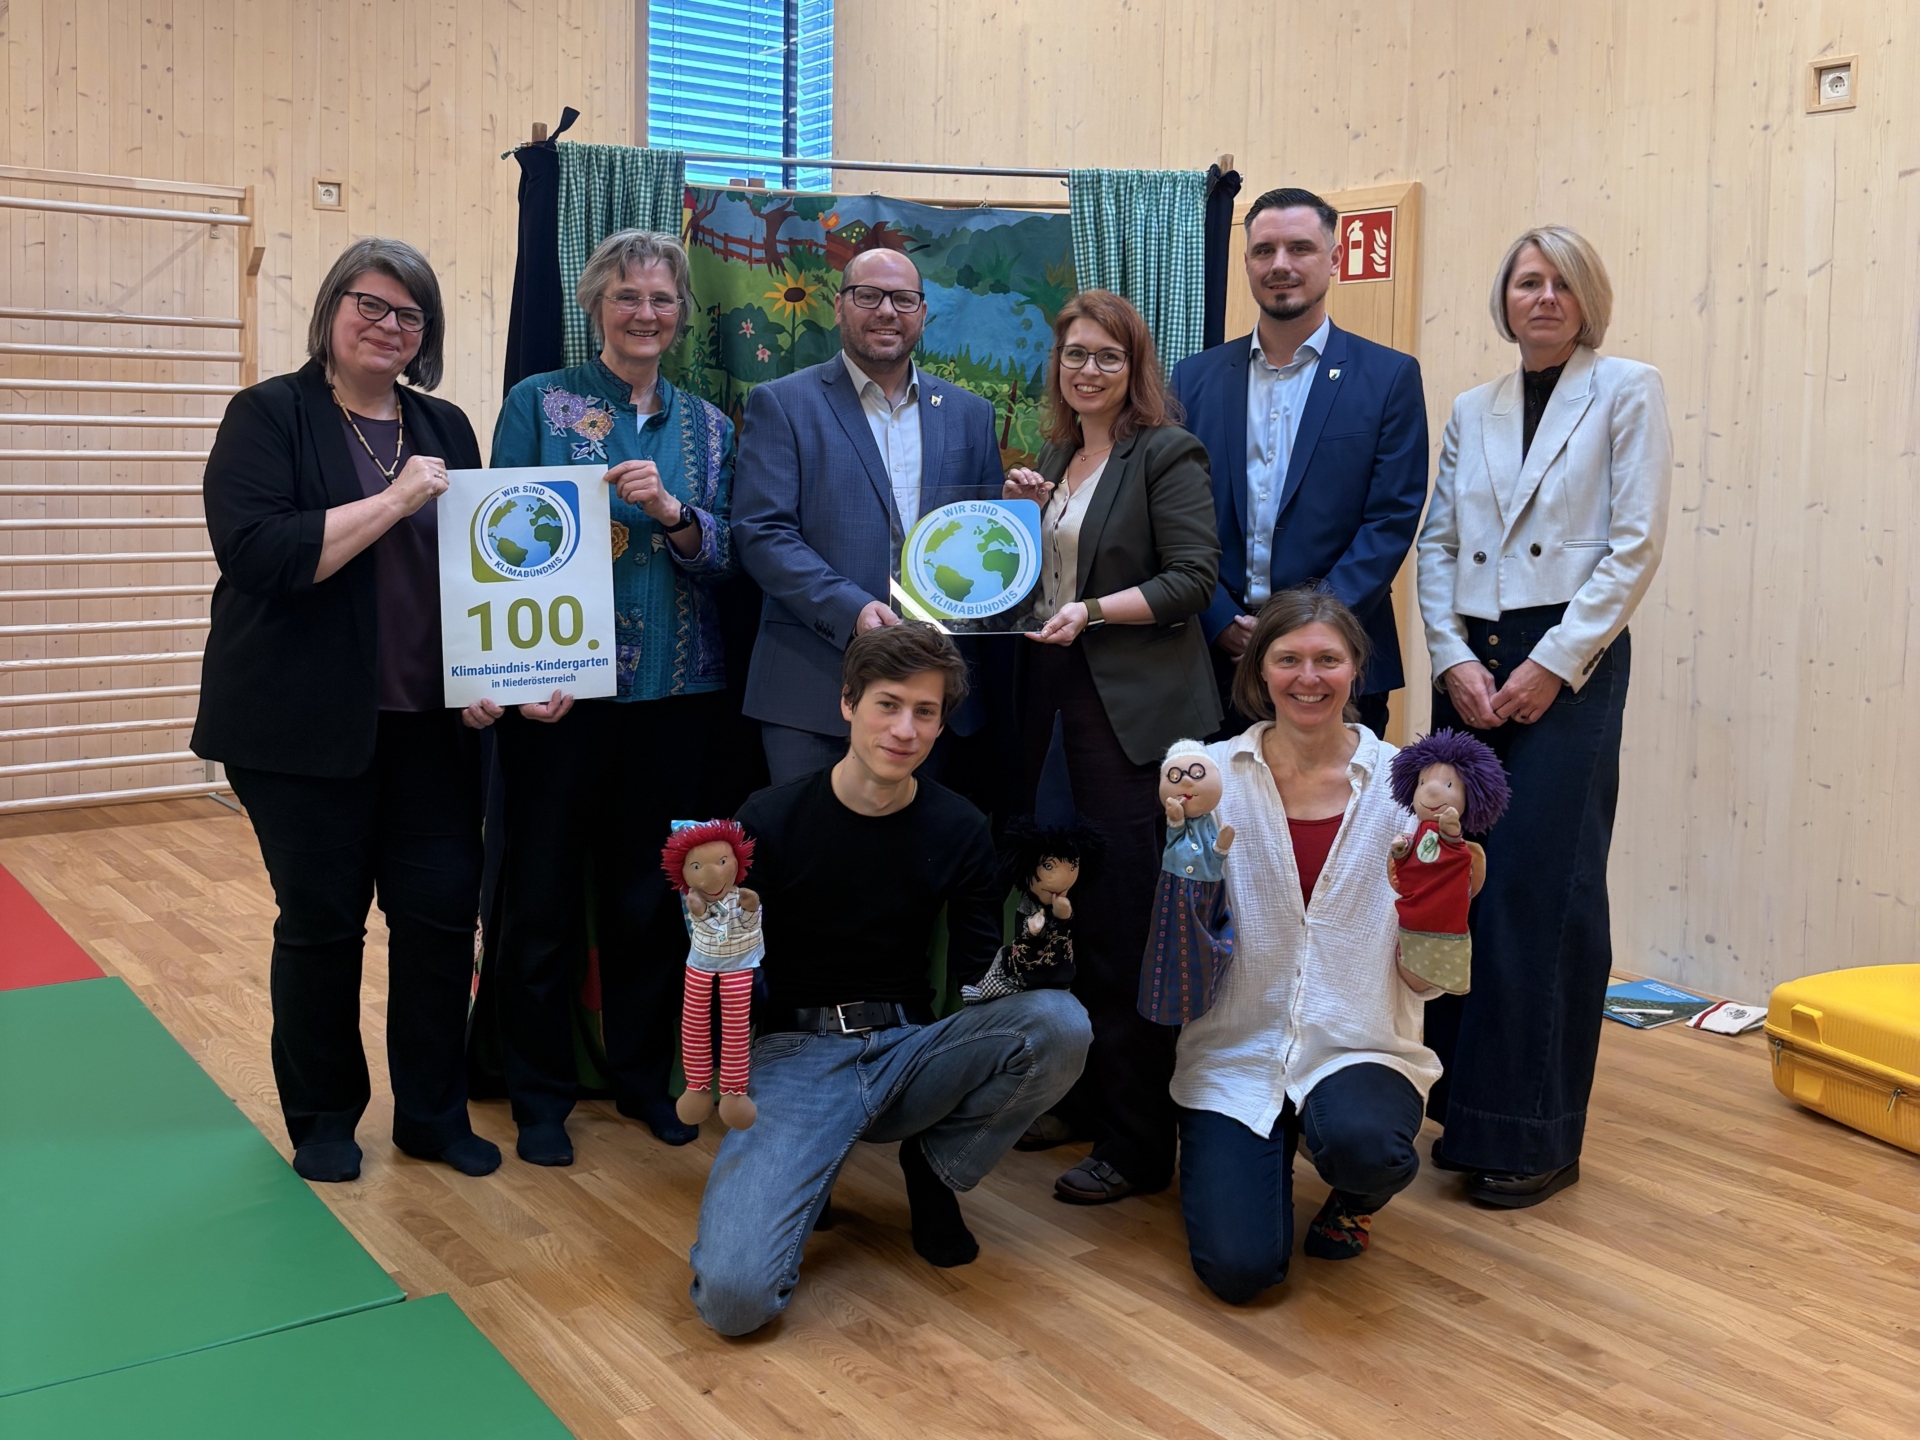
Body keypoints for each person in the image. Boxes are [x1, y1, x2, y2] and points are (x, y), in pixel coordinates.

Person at [193, 238, 498, 1184]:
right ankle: (324, 1117)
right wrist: (397, 500)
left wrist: (490, 672)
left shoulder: (445, 423)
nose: (387, 326)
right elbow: (261, 555)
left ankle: (434, 1115)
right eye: (370, 304)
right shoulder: (268, 414)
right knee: (322, 924)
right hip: (299, 729)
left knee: (440, 923)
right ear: (332, 308)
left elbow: (473, 572)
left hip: (430, 728)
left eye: (409, 314)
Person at [688, 623, 1092, 1336]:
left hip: (908, 1048)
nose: (905, 730)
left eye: (925, 712)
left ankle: (933, 1170)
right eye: (888, 705)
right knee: (734, 1303)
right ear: (848, 703)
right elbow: (734, 978)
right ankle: (808, 1167)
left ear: (941, 723)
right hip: (796, 1056)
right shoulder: (767, 818)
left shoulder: (959, 826)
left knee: (1060, 1022)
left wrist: (1036, 948)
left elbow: (975, 979)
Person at [1416, 225, 1671, 1206]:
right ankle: (1465, 1111)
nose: (1545, 297)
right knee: (1454, 885)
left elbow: (1633, 547)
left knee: (1540, 895)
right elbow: (1438, 545)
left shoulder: (1628, 389)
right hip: (1469, 662)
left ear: (1587, 298)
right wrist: (1448, 656)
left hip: (1569, 661)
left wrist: (1554, 664)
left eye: (1563, 282)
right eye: (1528, 281)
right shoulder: (1471, 407)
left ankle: (1535, 1132)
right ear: (1506, 298)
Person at [486, 230, 736, 1167]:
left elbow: (730, 556)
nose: (645, 313)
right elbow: (495, 543)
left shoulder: (710, 427)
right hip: (559, 699)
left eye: (662, 299)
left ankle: (640, 1080)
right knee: (541, 901)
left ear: (681, 315)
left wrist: (673, 514)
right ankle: (538, 1095)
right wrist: (517, 678)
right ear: (595, 304)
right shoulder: (538, 403)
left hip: (676, 696)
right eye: (627, 296)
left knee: (647, 904)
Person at [1000, 289, 1220, 1205]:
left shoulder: (1166, 452)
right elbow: (1045, 581)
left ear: (1136, 369)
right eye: (1074, 354)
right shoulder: (1056, 458)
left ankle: (1136, 1142)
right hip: (1051, 707)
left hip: (1132, 720)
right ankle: (1082, 1098)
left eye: (1107, 356)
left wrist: (1092, 611)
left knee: (1128, 924)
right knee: (1063, 911)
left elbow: (1193, 579)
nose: (1087, 370)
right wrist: (1023, 517)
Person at [1172, 589, 1441, 1304]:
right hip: (1237, 1048)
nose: (1309, 678)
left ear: (1356, 670)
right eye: (1288, 659)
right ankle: (1258, 1149)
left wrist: (1446, 899)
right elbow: (1178, 935)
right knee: (1241, 1273)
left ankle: (1354, 1194)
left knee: (1368, 1147)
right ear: (1260, 671)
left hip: (1357, 1040)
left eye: (1328, 660)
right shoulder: (1208, 776)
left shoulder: (1408, 787)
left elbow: (1431, 973)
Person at [731, 247, 1009, 788]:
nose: (887, 310)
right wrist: (853, 611)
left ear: (922, 314)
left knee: (919, 843)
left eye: (903, 299)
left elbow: (984, 536)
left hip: (932, 702)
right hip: (813, 690)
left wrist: (1021, 513)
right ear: (839, 307)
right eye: (869, 295)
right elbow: (762, 534)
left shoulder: (969, 413)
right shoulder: (783, 404)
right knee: (813, 840)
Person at [1168, 186, 1428, 737]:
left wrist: (1303, 629)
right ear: (1246, 262)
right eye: (1264, 250)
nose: (1280, 264)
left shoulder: (1389, 377)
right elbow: (1171, 517)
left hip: (1337, 662)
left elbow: (1391, 519)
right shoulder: (1193, 379)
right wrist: (1218, 617)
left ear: (1333, 258)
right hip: (1214, 661)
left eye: (1300, 248)